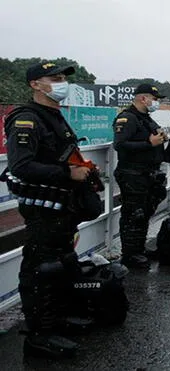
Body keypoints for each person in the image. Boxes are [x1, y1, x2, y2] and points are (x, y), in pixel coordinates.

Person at [1, 61, 93, 358]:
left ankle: (58, 319)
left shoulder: (53, 115)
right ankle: (39, 334)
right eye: (53, 78)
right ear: (35, 84)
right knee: (41, 267)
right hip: (43, 206)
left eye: (62, 78)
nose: (60, 83)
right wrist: (67, 174)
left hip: (62, 204)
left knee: (62, 260)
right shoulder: (26, 119)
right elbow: (22, 166)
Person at [113, 83, 168, 270]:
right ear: (143, 98)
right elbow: (120, 145)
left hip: (147, 173)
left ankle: (139, 248)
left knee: (144, 212)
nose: (156, 102)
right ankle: (129, 254)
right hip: (132, 173)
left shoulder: (146, 119)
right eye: (154, 99)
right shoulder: (127, 118)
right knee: (133, 214)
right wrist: (148, 143)